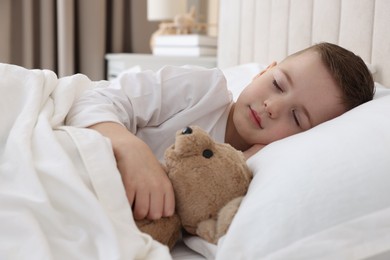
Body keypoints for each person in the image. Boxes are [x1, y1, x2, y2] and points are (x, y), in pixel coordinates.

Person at [65, 42, 374, 222]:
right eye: (278, 84)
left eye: (296, 117)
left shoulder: (247, 174)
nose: (272, 106)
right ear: (265, 71)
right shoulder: (203, 90)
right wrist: (130, 149)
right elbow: (93, 99)